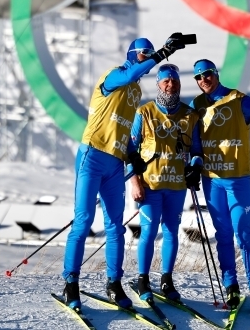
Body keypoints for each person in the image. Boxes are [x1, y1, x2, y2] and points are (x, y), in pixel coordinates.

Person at [62, 35, 186, 311]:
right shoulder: (115, 76)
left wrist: (133, 158)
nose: (147, 56)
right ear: (132, 53)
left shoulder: (136, 93)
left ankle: (114, 283)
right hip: (92, 155)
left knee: (115, 227)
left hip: (115, 163)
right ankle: (71, 282)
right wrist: (163, 53)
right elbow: (132, 72)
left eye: (150, 53)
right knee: (83, 222)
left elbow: (126, 131)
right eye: (143, 52)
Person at [190, 58, 250, 312]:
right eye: (198, 77)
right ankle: (231, 286)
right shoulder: (196, 105)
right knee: (222, 235)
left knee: (244, 234)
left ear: (216, 74)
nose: (204, 80)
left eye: (207, 74)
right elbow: (195, 141)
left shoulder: (237, 99)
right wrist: (195, 161)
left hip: (238, 180)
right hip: (211, 181)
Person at [127, 63, 201, 303]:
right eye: (166, 81)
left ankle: (167, 280)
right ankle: (143, 279)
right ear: (158, 84)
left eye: (175, 81)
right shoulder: (144, 112)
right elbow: (131, 150)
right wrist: (134, 181)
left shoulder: (190, 115)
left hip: (177, 186)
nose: (171, 85)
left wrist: (195, 168)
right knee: (148, 232)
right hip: (150, 185)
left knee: (171, 232)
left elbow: (197, 150)